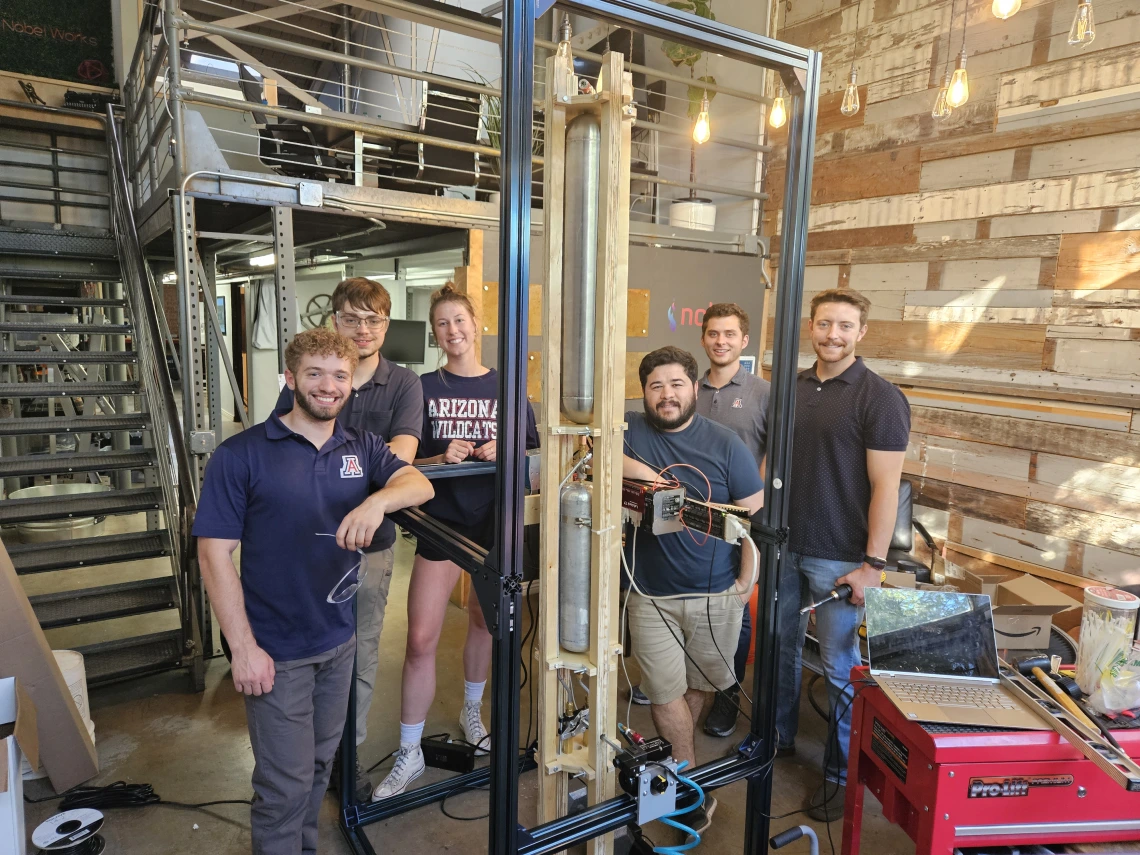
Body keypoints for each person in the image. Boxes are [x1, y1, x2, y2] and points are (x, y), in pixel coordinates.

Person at [195, 328, 434, 855]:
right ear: (290, 378)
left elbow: (420, 484)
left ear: (352, 384)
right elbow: (213, 555)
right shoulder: (242, 455)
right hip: (275, 651)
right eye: (315, 374)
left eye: (340, 376)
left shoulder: (362, 446)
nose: (329, 386)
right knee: (283, 785)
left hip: (337, 642)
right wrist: (244, 649)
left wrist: (376, 504)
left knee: (321, 765)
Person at [373, 283, 538, 800]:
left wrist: (503, 447)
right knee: (420, 639)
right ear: (435, 332)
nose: (452, 331)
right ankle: (409, 750)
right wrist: (439, 458)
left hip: (494, 523)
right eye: (442, 323)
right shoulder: (422, 386)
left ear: (476, 323)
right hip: (441, 523)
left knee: (486, 623)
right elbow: (397, 461)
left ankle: (472, 710)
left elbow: (533, 458)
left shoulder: (507, 388)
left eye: (459, 321)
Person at [276, 277, 423, 803]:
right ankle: (302, 760)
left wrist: (369, 496)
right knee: (298, 654)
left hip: (370, 548)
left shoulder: (403, 384)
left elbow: (400, 461)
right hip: (301, 546)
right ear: (333, 320)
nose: (363, 329)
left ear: (386, 325)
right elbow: (283, 450)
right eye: (352, 318)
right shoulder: (312, 376)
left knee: (357, 657)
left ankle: (346, 759)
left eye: (374, 320)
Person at [622, 346, 764, 833]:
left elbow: (752, 521)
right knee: (664, 693)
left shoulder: (726, 445)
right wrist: (651, 477)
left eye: (676, 384)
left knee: (697, 687)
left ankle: (681, 775)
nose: (666, 395)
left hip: (715, 594)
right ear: (644, 393)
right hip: (651, 595)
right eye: (656, 386)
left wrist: (744, 585)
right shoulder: (630, 429)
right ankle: (686, 785)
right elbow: (590, 448)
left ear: (695, 389)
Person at [781, 289, 910, 822]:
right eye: (824, 323)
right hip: (784, 547)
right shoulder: (794, 388)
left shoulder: (879, 398)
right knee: (780, 654)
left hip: (840, 559)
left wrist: (873, 566)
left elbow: (887, 487)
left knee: (838, 667)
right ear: (811, 326)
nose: (833, 334)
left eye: (845, 326)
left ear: (861, 333)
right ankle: (776, 743)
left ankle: (841, 772)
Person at [694, 302, 770, 739]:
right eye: (712, 333)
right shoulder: (688, 389)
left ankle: (726, 695)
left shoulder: (762, 392)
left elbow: (775, 460)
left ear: (744, 341)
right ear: (703, 338)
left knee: (735, 612)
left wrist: (756, 514)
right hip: (688, 518)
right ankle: (681, 683)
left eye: (729, 334)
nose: (720, 341)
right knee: (681, 601)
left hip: (740, 522)